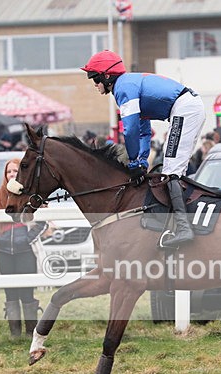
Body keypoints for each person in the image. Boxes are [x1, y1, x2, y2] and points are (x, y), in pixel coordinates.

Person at [81, 50, 205, 248]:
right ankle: (183, 223)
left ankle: (184, 228)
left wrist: (132, 162)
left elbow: (130, 130)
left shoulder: (123, 88)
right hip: (187, 108)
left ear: (106, 75)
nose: (94, 84)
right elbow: (144, 132)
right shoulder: (127, 85)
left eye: (94, 78)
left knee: (171, 173)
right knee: (174, 171)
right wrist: (141, 160)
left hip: (184, 109)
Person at [0, 158, 48, 337]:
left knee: (26, 292)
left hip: (25, 251)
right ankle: (15, 333)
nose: (12, 174)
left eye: (15, 171)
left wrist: (27, 238)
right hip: (4, 251)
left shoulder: (30, 195)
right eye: (9, 172)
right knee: (10, 293)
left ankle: (31, 332)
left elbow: (42, 221)